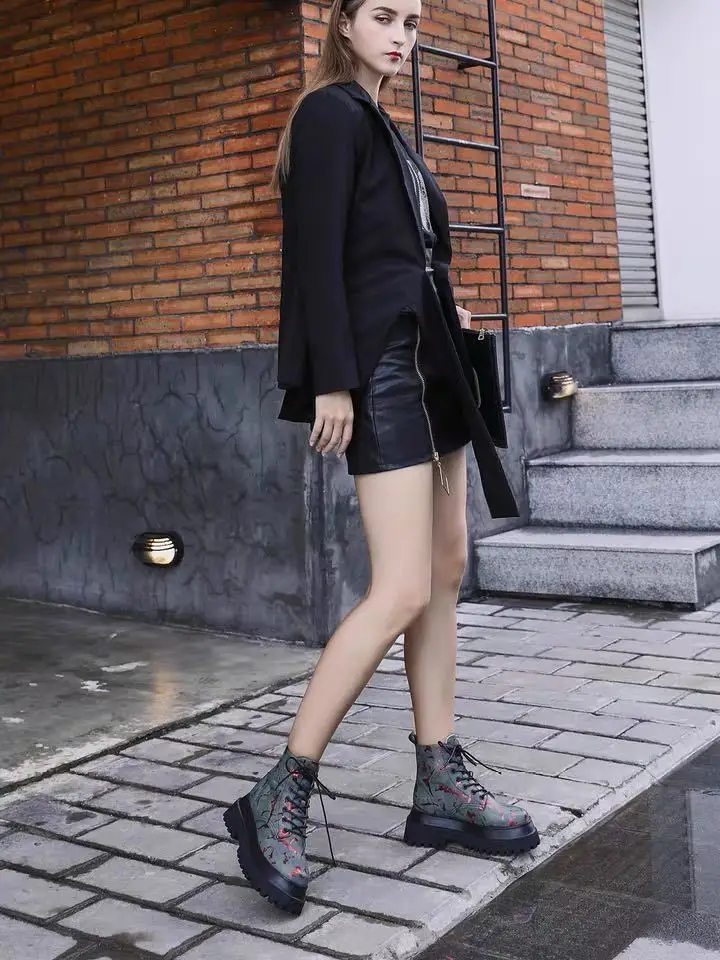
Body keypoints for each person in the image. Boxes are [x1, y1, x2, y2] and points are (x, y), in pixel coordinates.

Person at [223, 0, 539, 915]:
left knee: (446, 568)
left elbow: (398, 256)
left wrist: (450, 306)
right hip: (382, 372)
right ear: (344, 23)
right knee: (399, 587)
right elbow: (315, 255)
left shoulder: (382, 125)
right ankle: (279, 791)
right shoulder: (329, 112)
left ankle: (439, 780)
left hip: (432, 363)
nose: (402, 34)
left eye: (413, 21)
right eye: (384, 16)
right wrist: (331, 379)